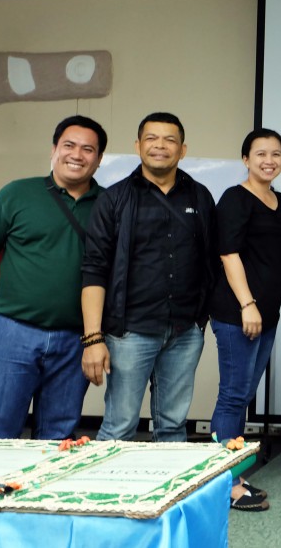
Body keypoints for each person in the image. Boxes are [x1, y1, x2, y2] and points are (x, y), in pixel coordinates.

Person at [0, 116, 106, 439]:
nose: (77, 154)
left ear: (99, 158)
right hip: (12, 335)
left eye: (88, 149)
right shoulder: (18, 194)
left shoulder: (110, 204)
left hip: (75, 341)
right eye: (69, 145)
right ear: (53, 150)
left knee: (58, 439)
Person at [81, 112, 218, 442]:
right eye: (152, 138)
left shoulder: (200, 196)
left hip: (185, 332)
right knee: (119, 425)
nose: (160, 146)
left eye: (170, 140)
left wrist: (202, 319)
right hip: (130, 332)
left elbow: (212, 260)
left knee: (172, 426)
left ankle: (170, 494)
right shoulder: (114, 199)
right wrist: (93, 338)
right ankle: (108, 493)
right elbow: (94, 269)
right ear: (138, 146)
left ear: (182, 150)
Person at [210, 128, 281, 511]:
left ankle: (233, 472)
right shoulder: (234, 199)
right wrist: (247, 304)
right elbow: (229, 254)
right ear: (246, 159)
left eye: (276, 153)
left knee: (243, 395)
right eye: (260, 153)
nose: (269, 160)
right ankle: (224, 483)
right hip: (238, 313)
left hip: (268, 314)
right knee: (232, 396)